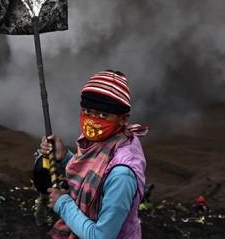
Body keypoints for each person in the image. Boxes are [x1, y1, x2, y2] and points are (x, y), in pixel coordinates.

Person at [40, 70, 148, 239]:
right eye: (88, 111)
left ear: (123, 119)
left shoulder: (122, 174)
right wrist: (64, 157)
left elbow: (101, 236)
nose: (93, 120)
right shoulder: (105, 138)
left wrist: (63, 204)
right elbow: (94, 176)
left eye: (103, 115)